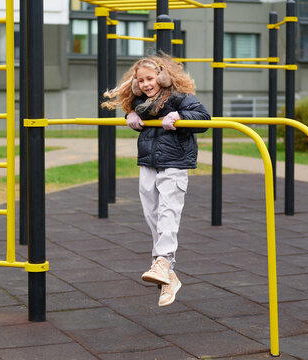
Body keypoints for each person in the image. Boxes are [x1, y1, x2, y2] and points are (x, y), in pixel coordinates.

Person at [102, 55, 210, 307]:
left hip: (175, 162)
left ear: (161, 76)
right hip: (149, 162)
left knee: (168, 211)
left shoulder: (179, 98)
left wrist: (179, 118)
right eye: (141, 80)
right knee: (151, 214)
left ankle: (163, 259)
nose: (147, 84)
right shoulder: (139, 102)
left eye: (150, 78)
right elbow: (136, 115)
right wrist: (129, 115)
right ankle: (167, 273)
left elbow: (204, 118)